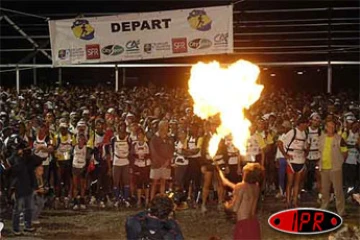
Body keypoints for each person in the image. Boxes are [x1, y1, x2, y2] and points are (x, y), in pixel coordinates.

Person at [220, 163, 264, 240]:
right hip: (254, 225)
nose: (248, 163)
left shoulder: (240, 187)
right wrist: (225, 180)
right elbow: (242, 189)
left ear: (247, 172)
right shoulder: (256, 187)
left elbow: (234, 208)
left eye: (249, 165)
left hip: (243, 225)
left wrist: (226, 205)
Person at [7, 134, 39, 235]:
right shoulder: (12, 159)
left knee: (28, 208)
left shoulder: (27, 158)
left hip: (27, 185)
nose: (23, 149)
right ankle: (16, 228)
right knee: (18, 209)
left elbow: (36, 161)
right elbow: (12, 172)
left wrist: (28, 153)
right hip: (18, 187)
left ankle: (27, 225)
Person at [319, 120, 348, 216]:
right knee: (325, 190)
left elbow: (345, 152)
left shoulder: (339, 139)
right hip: (324, 168)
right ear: (326, 127)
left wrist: (340, 162)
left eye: (332, 127)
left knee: (338, 190)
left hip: (335, 168)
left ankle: (341, 211)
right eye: (329, 126)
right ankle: (324, 207)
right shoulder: (321, 138)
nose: (331, 128)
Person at [279, 116, 308, 208]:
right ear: (300, 124)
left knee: (297, 182)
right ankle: (288, 201)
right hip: (291, 160)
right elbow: (280, 143)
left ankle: (295, 201)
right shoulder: (292, 132)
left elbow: (307, 145)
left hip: (300, 160)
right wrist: (285, 154)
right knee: (290, 182)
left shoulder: (305, 133)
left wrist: (306, 154)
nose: (306, 125)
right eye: (305, 123)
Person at [149, 121, 174, 200]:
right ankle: (152, 201)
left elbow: (172, 150)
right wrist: (163, 161)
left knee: (163, 182)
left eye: (167, 126)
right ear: (160, 127)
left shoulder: (169, 138)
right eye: (165, 126)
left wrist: (168, 160)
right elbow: (154, 152)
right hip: (156, 164)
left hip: (167, 164)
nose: (167, 128)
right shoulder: (154, 139)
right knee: (154, 183)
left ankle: (162, 200)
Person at [110, 121, 131, 208]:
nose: (122, 129)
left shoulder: (128, 138)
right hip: (116, 162)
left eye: (123, 128)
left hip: (125, 162)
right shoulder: (114, 139)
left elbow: (131, 150)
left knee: (126, 181)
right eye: (120, 128)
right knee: (116, 181)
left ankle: (126, 199)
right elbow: (111, 151)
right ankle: (116, 199)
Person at [131, 128, 151, 208]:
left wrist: (145, 156)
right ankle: (139, 200)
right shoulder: (134, 144)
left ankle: (147, 200)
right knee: (139, 184)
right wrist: (137, 156)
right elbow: (132, 154)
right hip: (137, 165)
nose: (140, 136)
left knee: (146, 183)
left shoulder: (147, 144)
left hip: (146, 165)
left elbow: (150, 154)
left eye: (142, 135)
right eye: (139, 135)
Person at [72, 134, 90, 210]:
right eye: (79, 139)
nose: (80, 141)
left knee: (82, 185)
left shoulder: (86, 148)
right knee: (75, 186)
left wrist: (86, 168)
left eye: (82, 139)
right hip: (75, 167)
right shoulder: (74, 147)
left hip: (83, 167)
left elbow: (88, 158)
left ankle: (82, 201)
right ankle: (75, 201)